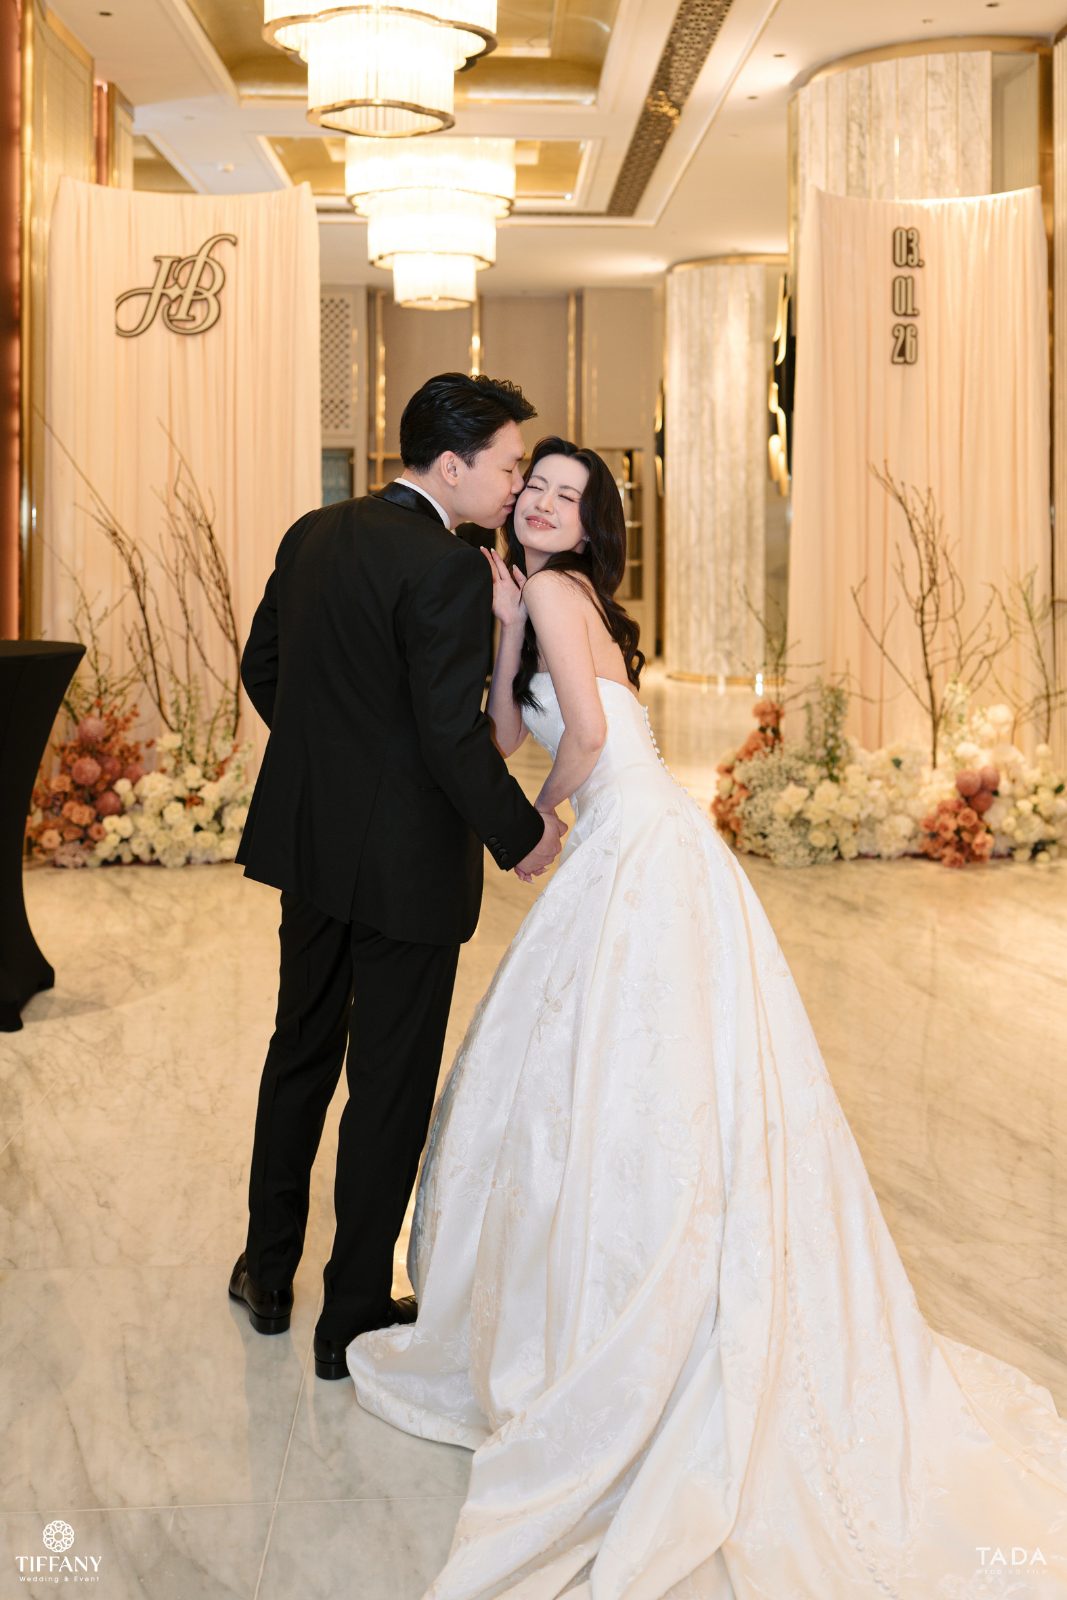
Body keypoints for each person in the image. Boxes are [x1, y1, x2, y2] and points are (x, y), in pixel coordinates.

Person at [346, 437, 1067, 1598]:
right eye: (535, 487)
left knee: (617, 1069)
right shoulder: (543, 597)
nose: (543, 502)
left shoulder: (558, 590)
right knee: (656, 1072)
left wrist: (537, 824)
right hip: (652, 839)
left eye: (567, 494)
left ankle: (632, 1311)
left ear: (590, 521)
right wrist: (502, 634)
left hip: (630, 842)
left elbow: (581, 741)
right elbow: (507, 731)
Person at [229, 374, 567, 1382]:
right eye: (508, 466)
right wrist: (520, 833)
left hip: (310, 844)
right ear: (450, 466)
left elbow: (263, 668)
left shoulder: (313, 532)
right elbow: (448, 735)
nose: (515, 486)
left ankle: (267, 1272)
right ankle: (351, 1314)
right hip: (406, 867)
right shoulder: (448, 568)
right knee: (386, 1082)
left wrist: (334, 764)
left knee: (299, 1050)